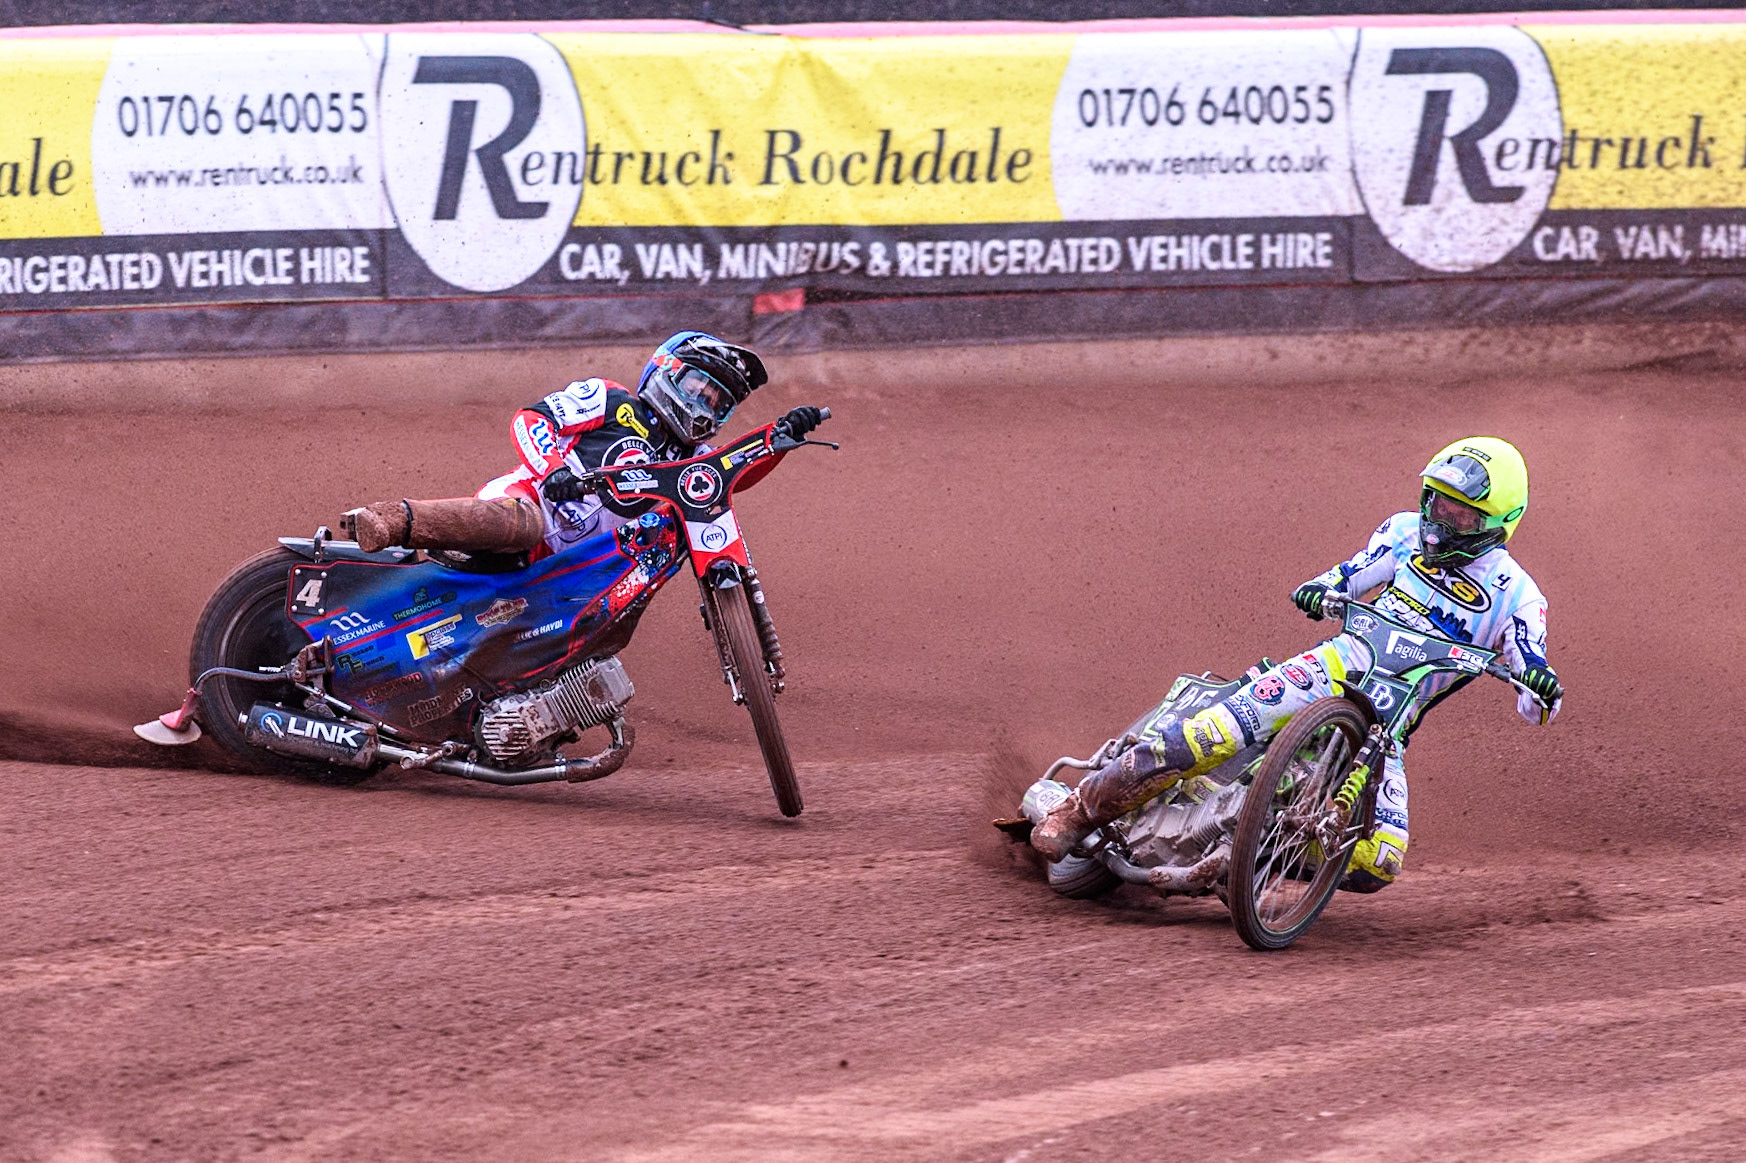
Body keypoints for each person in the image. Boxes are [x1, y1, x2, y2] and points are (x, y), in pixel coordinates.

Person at [1029, 437, 1564, 892]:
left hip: (1389, 725)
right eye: (1438, 502)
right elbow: (1349, 574)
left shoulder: (1518, 596)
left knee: (1379, 861)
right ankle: (1077, 811)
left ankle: (1254, 854)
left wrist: (1540, 685)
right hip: (1331, 666)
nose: (1441, 520)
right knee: (1210, 735)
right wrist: (1320, 588)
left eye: (1461, 513)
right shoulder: (1403, 532)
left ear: (1500, 522)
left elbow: (1535, 696)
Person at [345, 332, 823, 558]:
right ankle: (391, 520)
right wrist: (554, 470)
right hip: (530, 504)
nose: (705, 407)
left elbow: (730, 474)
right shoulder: (611, 399)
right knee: (522, 525)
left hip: (573, 568)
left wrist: (777, 441)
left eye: (718, 404)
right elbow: (532, 419)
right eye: (700, 389)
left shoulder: (688, 460)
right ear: (666, 372)